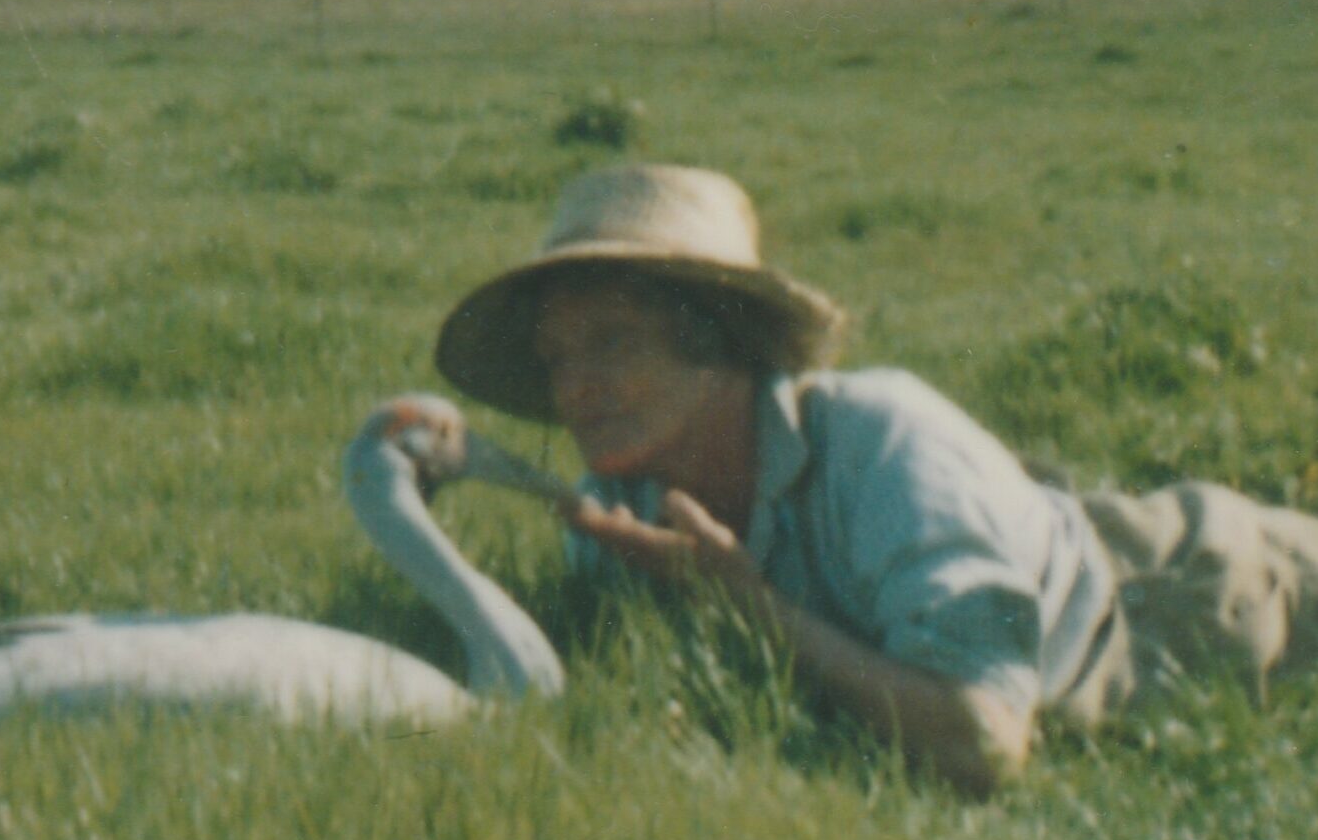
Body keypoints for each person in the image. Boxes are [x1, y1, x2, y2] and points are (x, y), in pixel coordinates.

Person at [431, 164, 1318, 796]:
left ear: (719, 344)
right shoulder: (625, 498)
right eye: (555, 355)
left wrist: (748, 606)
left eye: (610, 341)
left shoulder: (886, 441)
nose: (571, 387)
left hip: (1193, 595)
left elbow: (985, 743)